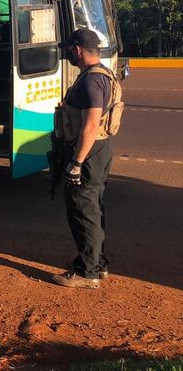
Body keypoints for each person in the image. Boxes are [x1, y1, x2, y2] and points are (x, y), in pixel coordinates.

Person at [52, 29, 121, 289]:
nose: (68, 54)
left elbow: (90, 124)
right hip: (99, 150)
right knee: (93, 207)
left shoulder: (92, 80)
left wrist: (76, 163)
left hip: (89, 150)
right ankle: (97, 263)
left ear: (78, 50)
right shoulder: (103, 73)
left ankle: (87, 272)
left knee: (83, 210)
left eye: (69, 49)